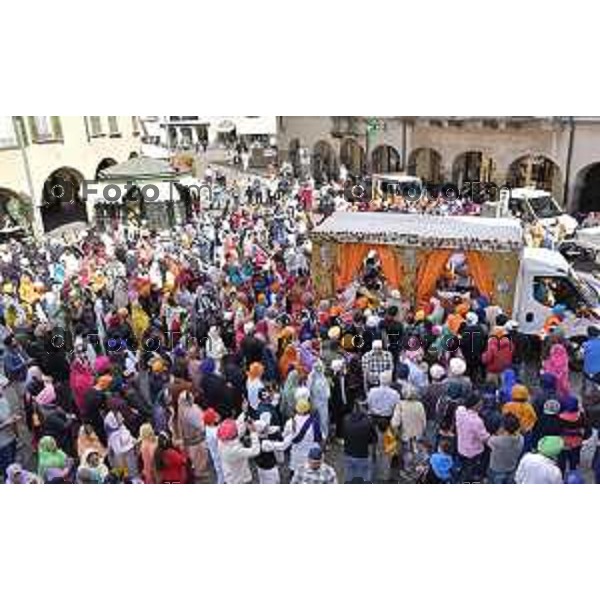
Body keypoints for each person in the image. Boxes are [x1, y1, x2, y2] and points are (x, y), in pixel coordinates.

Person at [455, 394, 490, 482]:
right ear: (475, 406)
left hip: (461, 447)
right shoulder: (477, 421)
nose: (481, 407)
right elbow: (484, 438)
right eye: (480, 405)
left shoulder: (460, 411)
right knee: (469, 471)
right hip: (473, 452)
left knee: (463, 467)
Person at [217, 417, 260, 484]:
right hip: (241, 480)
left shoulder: (221, 441)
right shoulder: (235, 450)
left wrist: (244, 417)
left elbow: (235, 434)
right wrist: (253, 432)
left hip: (230, 477)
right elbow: (255, 451)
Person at [342, 404, 377, 483]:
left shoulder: (345, 419)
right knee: (365, 479)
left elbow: (343, 435)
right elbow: (374, 440)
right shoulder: (369, 422)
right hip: (363, 455)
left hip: (348, 454)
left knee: (349, 479)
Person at [177, 390, 207, 481]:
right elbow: (200, 425)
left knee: (194, 456)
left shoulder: (182, 408)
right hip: (196, 438)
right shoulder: (189, 412)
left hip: (190, 438)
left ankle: (197, 470)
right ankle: (199, 472)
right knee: (199, 456)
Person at [486, 413, 523, 483]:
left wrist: (498, 434)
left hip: (497, 469)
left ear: (504, 428)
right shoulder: (521, 438)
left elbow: (488, 441)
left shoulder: (497, 441)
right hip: (511, 468)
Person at [0, 374, 20, 479]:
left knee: (13, 465)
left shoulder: (3, 400)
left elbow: (8, 415)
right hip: (2, 444)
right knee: (7, 469)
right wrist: (6, 423)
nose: (2, 389)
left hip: (11, 437)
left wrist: (13, 419)